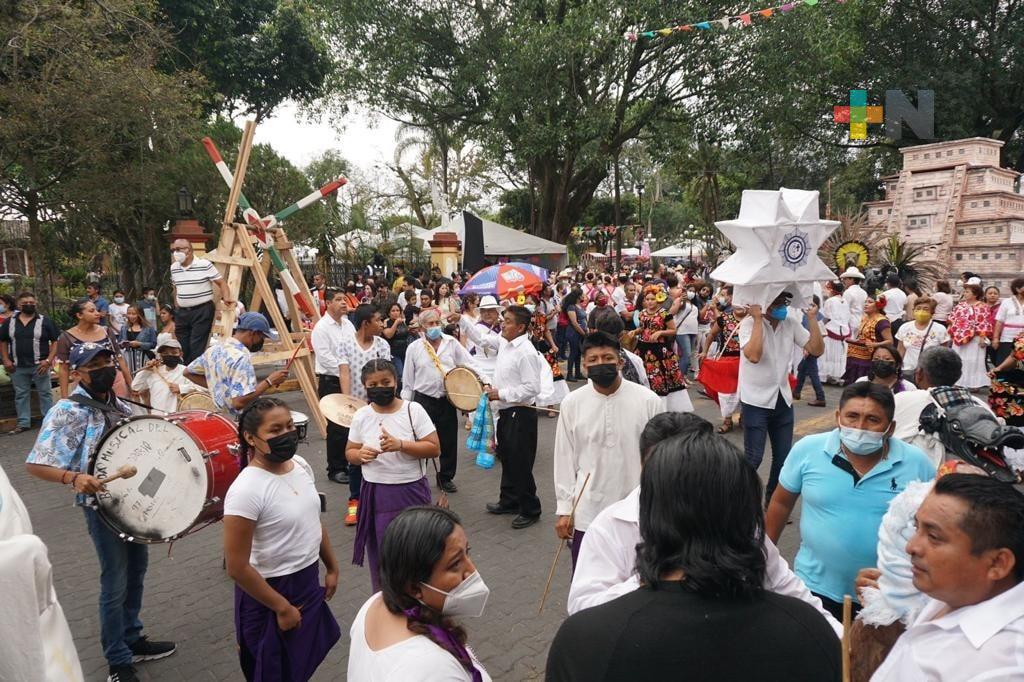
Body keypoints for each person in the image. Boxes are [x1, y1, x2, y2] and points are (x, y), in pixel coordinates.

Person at [547, 424, 842, 682]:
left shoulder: (583, 641)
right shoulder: (806, 631)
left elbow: (787, 585)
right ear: (744, 511)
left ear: (652, 514)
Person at [25, 343, 176, 682]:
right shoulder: (67, 411)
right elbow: (35, 464)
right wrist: (73, 477)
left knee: (137, 571)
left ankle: (133, 637)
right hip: (101, 509)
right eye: (95, 364)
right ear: (77, 372)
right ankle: (117, 660)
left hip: (134, 504)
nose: (105, 367)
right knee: (115, 580)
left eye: (108, 360)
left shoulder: (121, 404)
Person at [766, 382, 936, 620]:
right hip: (811, 587)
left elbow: (932, 528)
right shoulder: (808, 450)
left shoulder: (917, 464)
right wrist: (763, 557)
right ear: (838, 417)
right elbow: (781, 503)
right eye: (852, 417)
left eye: (872, 420)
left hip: (883, 595)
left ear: (890, 427)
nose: (860, 427)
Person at [224, 397, 341, 681]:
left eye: (289, 426)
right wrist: (282, 607)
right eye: (275, 430)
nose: (286, 434)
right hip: (269, 593)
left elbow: (313, 520)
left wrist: (332, 567)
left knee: (299, 665)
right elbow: (237, 567)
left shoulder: (299, 465)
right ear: (250, 438)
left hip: (306, 581)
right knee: (272, 671)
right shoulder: (246, 490)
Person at [871, 474, 1024, 681]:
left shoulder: (1000, 668)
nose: (911, 547)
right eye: (917, 528)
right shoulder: (952, 595)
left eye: (934, 537)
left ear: (997, 563)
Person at [553, 332, 663, 570]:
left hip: (638, 513)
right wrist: (564, 509)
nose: (600, 364)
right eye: (593, 360)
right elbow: (564, 458)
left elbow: (662, 460)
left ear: (620, 361)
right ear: (584, 365)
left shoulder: (649, 401)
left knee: (640, 582)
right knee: (590, 585)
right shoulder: (572, 403)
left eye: (607, 358)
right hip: (588, 513)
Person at [348, 506, 492, 681]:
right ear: (415, 589)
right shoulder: (435, 670)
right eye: (455, 564)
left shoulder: (374, 603)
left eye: (467, 553)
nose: (472, 570)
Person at [347, 359, 441, 590]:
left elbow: (434, 447)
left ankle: (419, 601)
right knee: (382, 555)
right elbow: (350, 451)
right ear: (365, 387)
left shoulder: (413, 410)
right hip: (376, 494)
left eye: (385, 382)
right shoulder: (361, 415)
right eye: (373, 384)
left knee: (415, 551)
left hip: (410, 492)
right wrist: (360, 456)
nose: (380, 387)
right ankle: (387, 603)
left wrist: (401, 444)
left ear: (396, 382)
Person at [740, 291, 824, 503]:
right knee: (753, 458)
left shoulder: (791, 323)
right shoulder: (749, 324)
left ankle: (772, 502)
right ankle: (739, 501)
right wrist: (758, 319)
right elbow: (754, 355)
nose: (782, 306)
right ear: (765, 303)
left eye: (784, 302)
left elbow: (816, 349)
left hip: (782, 399)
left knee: (784, 458)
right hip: (755, 401)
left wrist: (813, 320)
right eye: (777, 302)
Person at [473, 306, 546, 529]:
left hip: (521, 412)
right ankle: (509, 500)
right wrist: (462, 321)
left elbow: (532, 388)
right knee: (506, 456)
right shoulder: (505, 341)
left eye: (507, 321)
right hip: (506, 411)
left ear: (521, 327)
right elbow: (482, 339)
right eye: (503, 320)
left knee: (520, 461)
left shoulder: (526, 352)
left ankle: (531, 508)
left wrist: (501, 393)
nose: (502, 324)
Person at [403, 308, 480, 488]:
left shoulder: (451, 343)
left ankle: (445, 477)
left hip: (446, 400)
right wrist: (405, 407)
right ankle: (419, 478)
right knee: (422, 441)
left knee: (449, 440)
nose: (435, 327)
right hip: (423, 400)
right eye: (430, 324)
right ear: (422, 327)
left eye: (437, 323)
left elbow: (469, 363)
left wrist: (484, 381)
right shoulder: (414, 348)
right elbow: (408, 381)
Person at [337, 304, 393, 522]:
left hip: (379, 408)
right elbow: (344, 373)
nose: (382, 324)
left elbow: (387, 374)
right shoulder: (346, 344)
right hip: (356, 411)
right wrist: (348, 402)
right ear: (365, 323)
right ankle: (355, 501)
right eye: (378, 320)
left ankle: (380, 498)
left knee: (381, 450)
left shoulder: (382, 345)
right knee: (356, 457)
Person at [184, 312, 288, 416]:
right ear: (254, 333)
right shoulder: (241, 358)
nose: (262, 341)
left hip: (221, 418)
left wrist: (218, 387)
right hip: (238, 422)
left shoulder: (214, 350)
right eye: (262, 337)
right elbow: (238, 402)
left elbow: (187, 372)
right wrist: (269, 381)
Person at [311, 290, 355, 485]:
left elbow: (353, 348)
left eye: (344, 299)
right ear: (327, 303)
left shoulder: (348, 324)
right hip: (332, 380)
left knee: (352, 422)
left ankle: (349, 461)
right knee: (337, 426)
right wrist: (344, 369)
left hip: (350, 378)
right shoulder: (321, 328)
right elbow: (325, 358)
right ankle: (335, 468)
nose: (343, 303)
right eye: (338, 300)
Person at [169, 239, 234, 364]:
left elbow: (221, 283)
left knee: (196, 346)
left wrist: (226, 298)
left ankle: (196, 377)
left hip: (201, 311)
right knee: (183, 346)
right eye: (173, 250)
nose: (175, 253)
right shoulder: (174, 268)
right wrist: (176, 304)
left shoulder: (204, 264)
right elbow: (176, 287)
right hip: (182, 313)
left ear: (188, 250)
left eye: (178, 249)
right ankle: (188, 375)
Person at [1, 291, 58, 434]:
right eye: (25, 303)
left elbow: (56, 341)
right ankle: (24, 423)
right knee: (21, 394)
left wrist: (49, 360)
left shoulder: (45, 321)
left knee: (45, 393)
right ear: (19, 304)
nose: (28, 305)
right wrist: (6, 360)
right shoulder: (10, 322)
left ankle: (48, 422)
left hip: (40, 365)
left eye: (31, 303)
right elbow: (2, 341)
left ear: (36, 304)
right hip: (17, 366)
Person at [54, 299, 132, 399]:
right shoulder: (66, 337)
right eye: (92, 311)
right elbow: (64, 368)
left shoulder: (107, 332)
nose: (97, 313)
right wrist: (64, 397)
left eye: (97, 310)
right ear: (79, 315)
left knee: (118, 411)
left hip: (113, 380)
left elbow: (120, 359)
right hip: (85, 383)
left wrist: (130, 384)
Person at [635, 284, 692, 412]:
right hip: (643, 350)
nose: (649, 302)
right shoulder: (642, 313)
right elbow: (643, 328)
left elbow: (673, 330)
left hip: (660, 351)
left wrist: (660, 332)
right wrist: (635, 332)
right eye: (647, 299)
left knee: (661, 380)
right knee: (645, 378)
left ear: (659, 299)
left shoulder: (664, 314)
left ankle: (662, 408)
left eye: (652, 299)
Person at [696, 285, 744, 432]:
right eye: (736, 299)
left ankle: (744, 417)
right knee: (726, 393)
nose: (740, 303)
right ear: (730, 299)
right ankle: (727, 420)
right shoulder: (724, 318)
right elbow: (710, 334)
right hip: (726, 361)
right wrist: (704, 352)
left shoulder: (753, 320)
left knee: (744, 391)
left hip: (746, 362)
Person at [130, 335, 199, 414]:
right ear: (161, 355)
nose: (170, 355)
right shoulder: (154, 371)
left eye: (174, 353)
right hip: (158, 419)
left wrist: (181, 388)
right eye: (165, 353)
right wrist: (147, 370)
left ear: (180, 354)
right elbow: (136, 386)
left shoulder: (186, 371)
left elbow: (201, 389)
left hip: (178, 419)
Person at [589, 307, 649, 389]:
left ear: (597, 332)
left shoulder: (592, 361)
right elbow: (645, 387)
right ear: (621, 334)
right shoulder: (634, 360)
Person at [947, 283, 992, 390]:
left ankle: (974, 384)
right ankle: (957, 381)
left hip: (975, 338)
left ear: (975, 294)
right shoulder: (960, 306)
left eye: (968, 292)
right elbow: (952, 320)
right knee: (958, 359)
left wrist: (982, 337)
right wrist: (950, 332)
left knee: (974, 361)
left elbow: (984, 322)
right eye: (965, 291)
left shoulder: (983, 307)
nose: (965, 293)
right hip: (959, 336)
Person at [844, 295, 893, 385]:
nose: (866, 304)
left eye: (870, 302)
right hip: (857, 356)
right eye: (865, 302)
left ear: (878, 305)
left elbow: (890, 341)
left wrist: (874, 345)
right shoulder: (865, 317)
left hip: (870, 359)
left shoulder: (882, 321)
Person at [529, 298, 567, 416]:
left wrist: (553, 344)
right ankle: (531, 404)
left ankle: (551, 405)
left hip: (541, 346)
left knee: (552, 372)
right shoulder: (520, 317)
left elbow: (545, 331)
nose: (528, 304)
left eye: (531, 302)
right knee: (531, 376)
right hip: (527, 348)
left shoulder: (541, 315)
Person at [895, 296, 949, 374]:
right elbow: (900, 350)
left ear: (932, 312)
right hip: (907, 370)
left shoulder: (940, 329)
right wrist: (897, 368)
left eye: (925, 309)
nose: (921, 311)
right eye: (918, 308)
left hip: (930, 372)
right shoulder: (905, 327)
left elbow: (944, 354)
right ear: (914, 310)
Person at [794, 295, 828, 407]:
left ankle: (821, 397)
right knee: (802, 369)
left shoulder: (816, 317)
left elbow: (820, 334)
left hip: (812, 349)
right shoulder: (807, 316)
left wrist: (809, 349)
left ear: (817, 306)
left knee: (813, 373)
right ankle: (797, 391)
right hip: (809, 347)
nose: (809, 307)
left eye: (812, 305)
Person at [989, 327, 1024, 427]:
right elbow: (1013, 357)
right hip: (1019, 375)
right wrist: (998, 369)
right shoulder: (1021, 339)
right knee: (999, 380)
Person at [821, 280, 851, 384]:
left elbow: (826, 316)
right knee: (839, 354)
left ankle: (826, 375)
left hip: (831, 329)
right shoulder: (845, 300)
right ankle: (837, 376)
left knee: (828, 353)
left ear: (832, 290)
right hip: (844, 330)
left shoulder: (830, 301)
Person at [992, 276, 1024, 368]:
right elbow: (999, 321)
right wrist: (995, 339)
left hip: (1023, 340)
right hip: (1007, 338)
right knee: (1004, 365)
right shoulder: (1006, 302)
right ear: (1017, 289)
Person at [116, 305, 156, 377]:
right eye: (129, 313)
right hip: (128, 358)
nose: (131, 316)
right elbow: (119, 343)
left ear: (140, 314)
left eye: (134, 314)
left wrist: (139, 344)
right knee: (129, 378)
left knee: (142, 379)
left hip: (143, 358)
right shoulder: (124, 328)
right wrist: (123, 344)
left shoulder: (149, 328)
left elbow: (153, 344)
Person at [561, 289, 587, 382]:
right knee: (573, 352)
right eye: (582, 294)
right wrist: (583, 333)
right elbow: (574, 322)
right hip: (573, 333)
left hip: (580, 332)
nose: (583, 295)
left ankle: (577, 373)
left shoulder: (579, 306)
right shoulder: (571, 307)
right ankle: (569, 374)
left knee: (578, 353)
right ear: (578, 296)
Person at [382, 302, 410, 379]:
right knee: (399, 373)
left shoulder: (402, 322)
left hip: (404, 351)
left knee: (407, 372)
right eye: (393, 311)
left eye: (397, 310)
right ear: (389, 313)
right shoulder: (386, 322)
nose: (396, 313)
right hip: (394, 353)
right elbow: (388, 335)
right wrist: (395, 323)